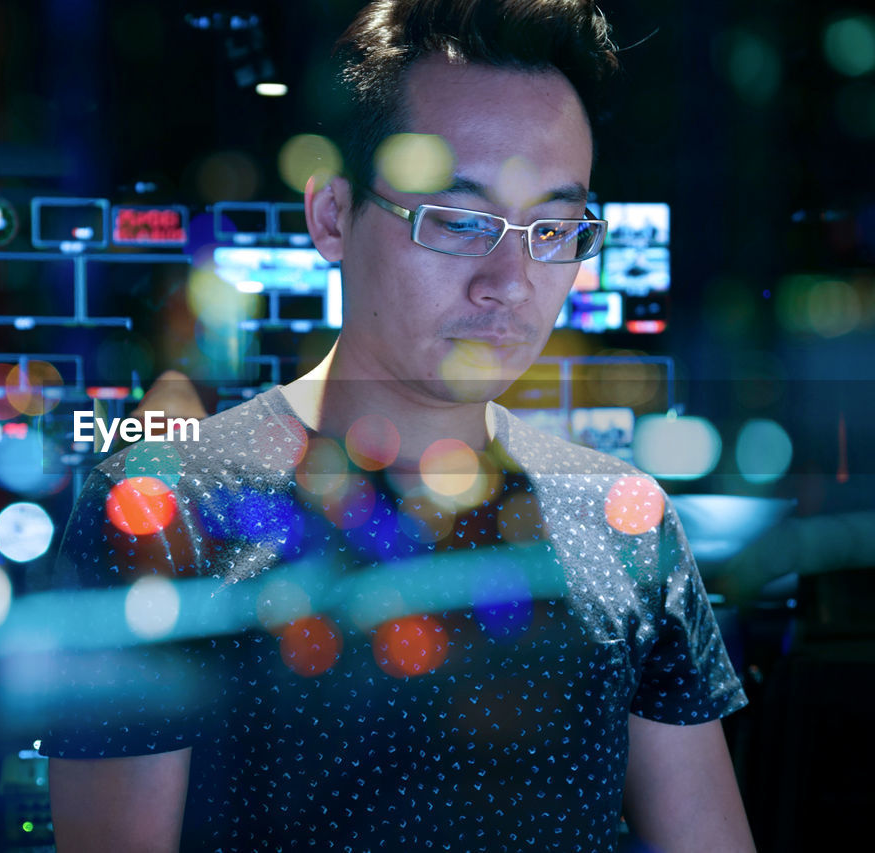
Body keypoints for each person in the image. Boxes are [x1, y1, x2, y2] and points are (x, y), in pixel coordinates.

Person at [41, 1, 756, 850]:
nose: (510, 280)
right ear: (333, 216)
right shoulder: (170, 507)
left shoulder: (621, 518)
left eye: (553, 229)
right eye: (459, 220)